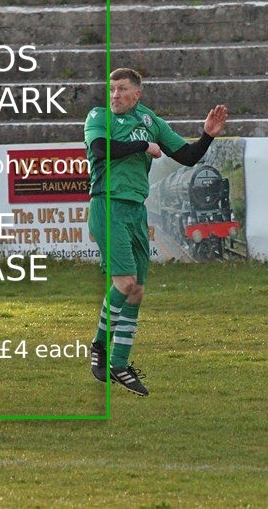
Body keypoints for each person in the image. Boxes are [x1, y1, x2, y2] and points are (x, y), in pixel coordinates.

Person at [84, 67, 228, 396]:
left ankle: (119, 364)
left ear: (137, 94)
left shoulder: (149, 120)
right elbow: (100, 149)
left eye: (121, 90)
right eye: (111, 89)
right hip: (108, 206)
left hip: (135, 210)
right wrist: (143, 146)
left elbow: (188, 156)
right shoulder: (99, 116)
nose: (115, 95)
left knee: (136, 291)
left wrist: (207, 135)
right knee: (125, 282)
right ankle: (99, 346)